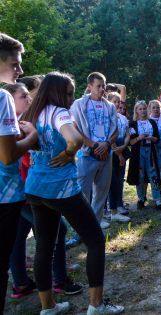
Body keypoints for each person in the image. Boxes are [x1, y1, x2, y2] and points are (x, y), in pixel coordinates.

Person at [22, 72, 124, 315]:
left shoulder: (31, 113)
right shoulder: (59, 113)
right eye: (68, 93)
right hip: (61, 189)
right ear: (57, 93)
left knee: (44, 247)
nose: (71, 98)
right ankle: (97, 305)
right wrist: (69, 153)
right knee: (96, 241)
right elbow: (75, 138)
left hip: (36, 189)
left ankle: (48, 307)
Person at [5, 82, 82, 299]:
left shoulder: (27, 122)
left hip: (24, 191)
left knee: (20, 235)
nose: (29, 100)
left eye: (30, 96)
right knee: (55, 233)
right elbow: (25, 159)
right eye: (24, 97)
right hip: (25, 191)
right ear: (10, 100)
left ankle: (21, 283)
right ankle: (58, 280)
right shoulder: (17, 126)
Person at [0, 32, 38, 314]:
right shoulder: (2, 97)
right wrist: (31, 137)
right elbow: (8, 154)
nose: (20, 70)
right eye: (15, 64)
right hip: (6, 195)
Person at [70, 72, 118, 230]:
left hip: (106, 154)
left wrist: (106, 144)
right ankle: (81, 230)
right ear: (89, 86)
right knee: (83, 194)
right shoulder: (79, 104)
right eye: (98, 86)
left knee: (101, 193)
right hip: (87, 155)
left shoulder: (110, 106)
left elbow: (115, 130)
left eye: (103, 86)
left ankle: (95, 227)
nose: (102, 89)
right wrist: (94, 145)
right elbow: (74, 128)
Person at [127, 100, 161, 211]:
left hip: (150, 152)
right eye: (140, 109)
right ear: (136, 111)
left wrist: (150, 138)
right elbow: (130, 142)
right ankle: (141, 199)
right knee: (140, 176)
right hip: (138, 153)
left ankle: (158, 200)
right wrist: (139, 138)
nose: (143, 111)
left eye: (144, 108)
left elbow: (157, 139)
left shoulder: (152, 122)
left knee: (153, 175)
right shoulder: (133, 124)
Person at [107, 92, 131, 222]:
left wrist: (124, 146)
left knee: (120, 179)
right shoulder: (108, 116)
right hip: (113, 151)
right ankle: (110, 207)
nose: (117, 104)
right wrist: (119, 153)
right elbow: (110, 137)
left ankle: (118, 204)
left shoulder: (122, 118)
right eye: (114, 101)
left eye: (118, 101)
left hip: (121, 147)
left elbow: (127, 134)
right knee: (112, 180)